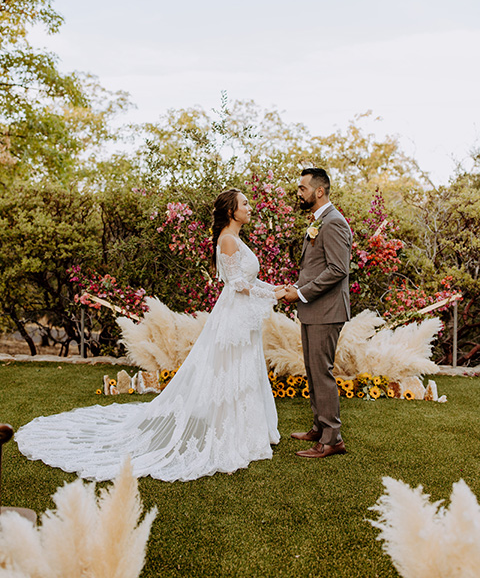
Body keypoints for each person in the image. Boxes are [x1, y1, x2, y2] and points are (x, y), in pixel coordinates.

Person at [16, 189, 285, 482]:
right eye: (244, 203)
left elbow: (250, 281)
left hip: (242, 317)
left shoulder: (235, 238)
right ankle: (227, 439)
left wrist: (276, 290)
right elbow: (238, 285)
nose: (249, 207)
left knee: (242, 371)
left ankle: (245, 432)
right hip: (233, 318)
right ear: (232, 211)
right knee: (230, 372)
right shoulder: (228, 240)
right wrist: (276, 294)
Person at [283, 168, 352, 458]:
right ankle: (319, 427)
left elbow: (338, 269)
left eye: (303, 188)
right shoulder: (319, 221)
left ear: (319, 191)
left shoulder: (333, 222)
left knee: (321, 373)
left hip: (326, 310)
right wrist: (296, 287)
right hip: (313, 309)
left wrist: (300, 293)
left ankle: (332, 439)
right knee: (312, 370)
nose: (299, 193)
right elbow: (315, 266)